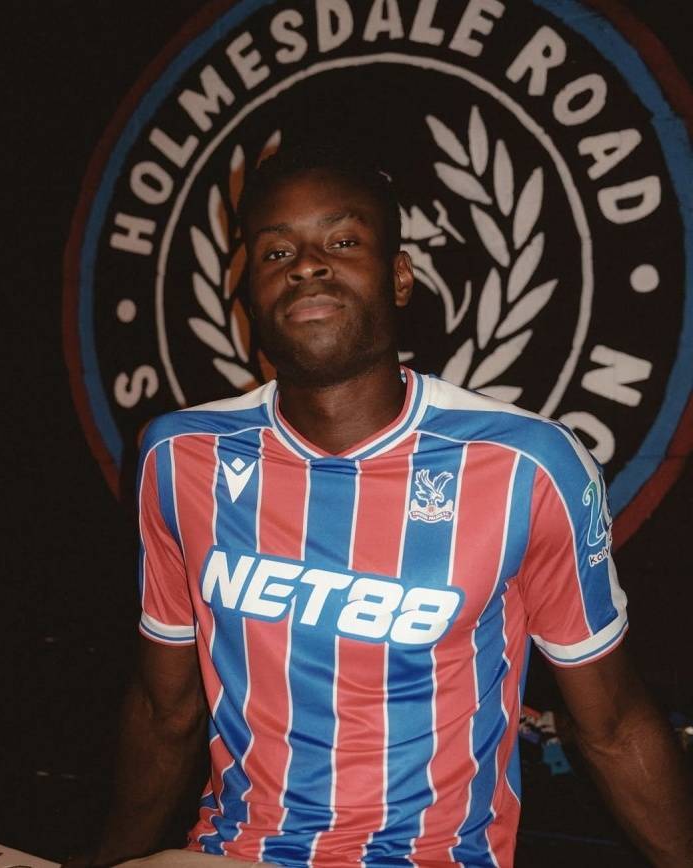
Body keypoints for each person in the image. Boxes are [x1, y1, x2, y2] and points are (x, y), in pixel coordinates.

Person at [89, 145, 693, 868]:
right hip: (232, 854)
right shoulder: (179, 456)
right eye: (276, 251)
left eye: (343, 242)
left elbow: (614, 726)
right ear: (247, 290)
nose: (306, 266)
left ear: (400, 277)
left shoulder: (527, 466)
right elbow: (164, 711)